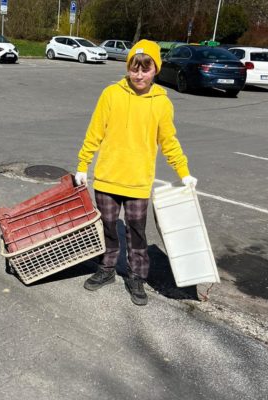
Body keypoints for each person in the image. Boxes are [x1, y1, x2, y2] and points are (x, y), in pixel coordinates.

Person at [74, 39, 197, 306]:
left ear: (156, 69)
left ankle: (136, 276)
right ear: (128, 67)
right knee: (107, 227)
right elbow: (94, 132)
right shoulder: (111, 94)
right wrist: (83, 165)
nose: (139, 75)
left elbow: (169, 141)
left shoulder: (162, 103)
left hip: (138, 183)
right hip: (107, 179)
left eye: (145, 68)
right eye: (134, 68)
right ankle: (106, 268)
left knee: (137, 233)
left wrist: (183, 172)